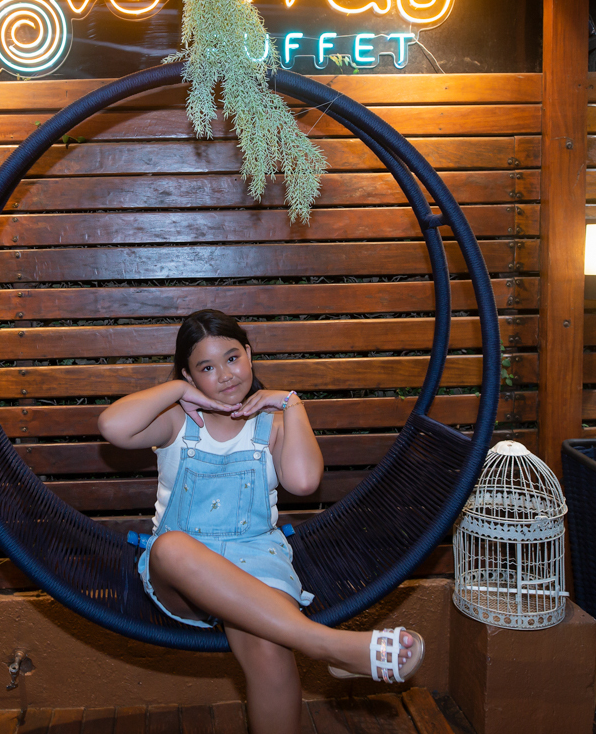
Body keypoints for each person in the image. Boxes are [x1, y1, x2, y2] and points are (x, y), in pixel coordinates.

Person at [98, 309, 424, 734]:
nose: (225, 375)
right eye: (206, 368)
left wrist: (292, 403)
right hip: (180, 579)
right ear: (190, 375)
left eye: (233, 358)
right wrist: (178, 389)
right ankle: (329, 646)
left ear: (250, 355)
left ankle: (322, 646)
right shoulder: (177, 420)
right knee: (171, 546)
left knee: (269, 650)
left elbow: (303, 482)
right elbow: (112, 426)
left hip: (258, 561)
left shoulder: (275, 424)